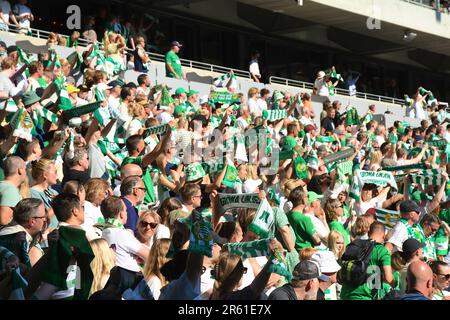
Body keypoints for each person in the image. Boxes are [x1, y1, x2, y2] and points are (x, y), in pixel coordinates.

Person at [100, 196, 150, 292]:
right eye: (126, 211)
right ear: (122, 214)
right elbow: (148, 255)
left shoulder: (105, 231)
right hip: (130, 281)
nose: (127, 213)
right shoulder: (121, 233)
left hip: (116, 279)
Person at [340, 222, 394, 300]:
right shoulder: (382, 250)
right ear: (384, 236)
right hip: (364, 296)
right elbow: (388, 278)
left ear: (368, 233)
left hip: (345, 294)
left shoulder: (355, 245)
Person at [0, 198, 46, 267]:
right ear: (32, 221)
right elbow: (25, 274)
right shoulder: (18, 240)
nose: (45, 219)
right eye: (43, 217)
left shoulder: (8, 230)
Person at [0, 156, 26, 225]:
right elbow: (4, 220)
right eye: (25, 169)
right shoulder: (10, 190)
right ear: (20, 170)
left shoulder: (3, 186)